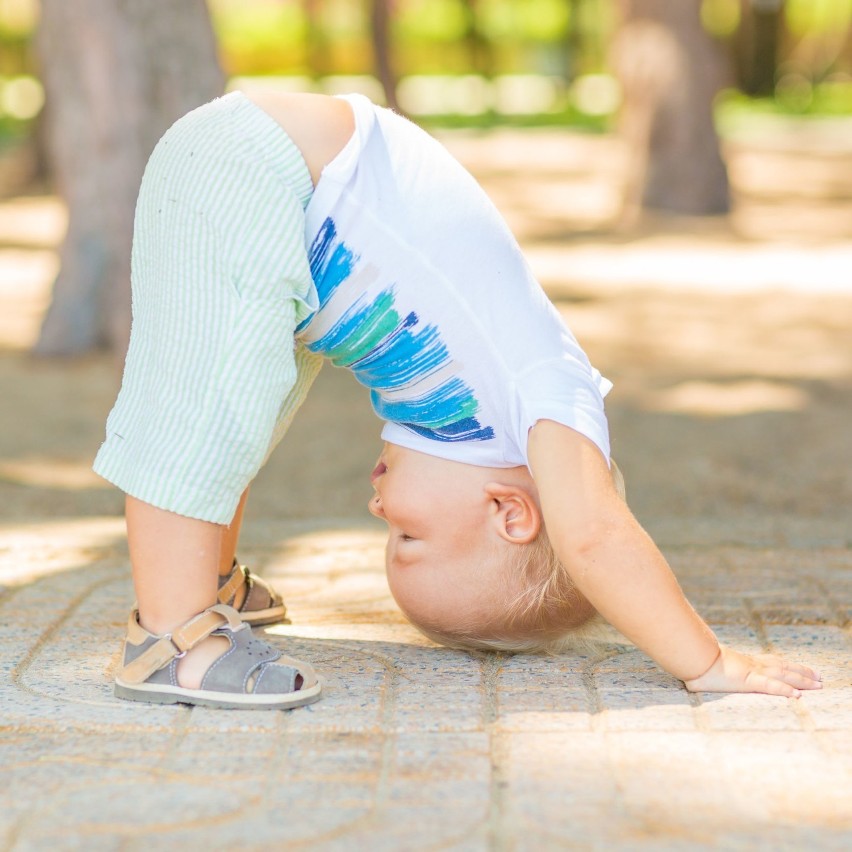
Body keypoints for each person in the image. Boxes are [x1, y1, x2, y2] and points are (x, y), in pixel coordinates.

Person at [94, 90, 822, 710]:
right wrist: (707, 663)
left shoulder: (482, 417)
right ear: (511, 512)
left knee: (244, 406)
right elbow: (597, 537)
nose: (378, 511)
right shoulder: (546, 403)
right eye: (408, 537)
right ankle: (172, 635)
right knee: (208, 406)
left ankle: (206, 577)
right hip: (261, 173)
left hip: (274, 187)